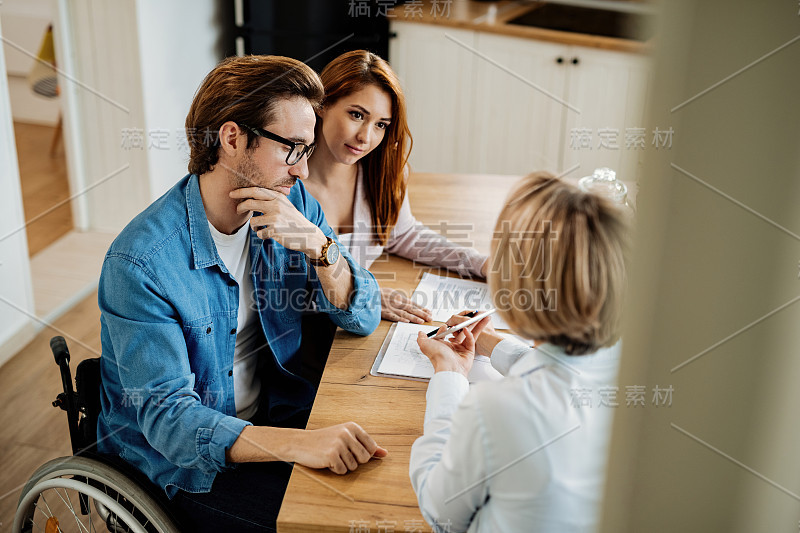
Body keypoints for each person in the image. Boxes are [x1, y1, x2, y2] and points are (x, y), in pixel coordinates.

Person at [96, 55, 386, 532]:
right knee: (338, 522)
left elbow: (364, 313)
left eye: (308, 150)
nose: (301, 170)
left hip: (278, 414)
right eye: (292, 148)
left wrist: (320, 246)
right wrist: (301, 445)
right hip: (187, 471)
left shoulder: (290, 205)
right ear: (232, 138)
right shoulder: (140, 264)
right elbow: (171, 423)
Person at [410, 172, 631, 532]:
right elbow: (567, 377)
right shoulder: (630, 366)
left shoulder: (496, 409)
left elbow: (442, 516)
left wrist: (448, 375)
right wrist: (493, 344)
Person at [303, 50, 489, 325]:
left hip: (354, 329)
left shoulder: (378, 172)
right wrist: (366, 295)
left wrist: (481, 264)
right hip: (305, 334)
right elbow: (276, 286)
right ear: (322, 104)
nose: (366, 137)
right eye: (356, 115)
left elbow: (402, 234)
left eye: (380, 125)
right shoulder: (287, 185)